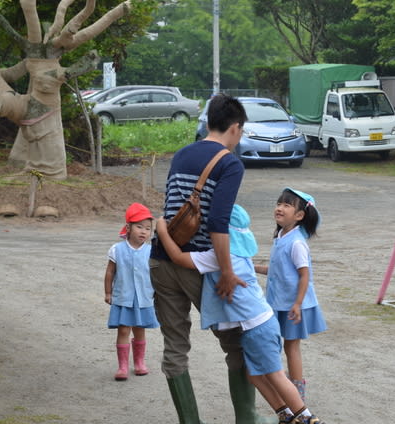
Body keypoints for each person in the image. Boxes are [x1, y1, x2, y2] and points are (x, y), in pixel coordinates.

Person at [149, 93, 270, 423]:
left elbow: (173, 207)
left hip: (161, 260)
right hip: (197, 265)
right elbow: (218, 223)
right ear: (235, 127)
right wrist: (228, 273)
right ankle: (248, 418)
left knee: (175, 347)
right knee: (238, 343)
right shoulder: (229, 162)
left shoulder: (182, 154)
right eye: (241, 131)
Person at [156, 205, 326, 424]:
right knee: (253, 375)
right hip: (258, 325)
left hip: (259, 327)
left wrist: (162, 230)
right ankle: (285, 415)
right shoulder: (238, 252)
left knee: (275, 375)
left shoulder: (219, 256)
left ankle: (306, 417)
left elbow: (178, 258)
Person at [255, 188, 327, 404]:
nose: (279, 208)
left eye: (287, 205)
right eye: (279, 203)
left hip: (293, 305)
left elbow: (304, 276)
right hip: (279, 302)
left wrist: (297, 304)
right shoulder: (281, 236)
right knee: (279, 344)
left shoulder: (296, 242)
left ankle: (297, 395)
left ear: (299, 216)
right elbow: (277, 270)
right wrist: (252, 267)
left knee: (291, 346)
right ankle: (286, 386)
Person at [103, 202, 159, 381]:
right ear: (128, 227)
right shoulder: (117, 250)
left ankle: (140, 363)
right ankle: (122, 367)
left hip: (143, 298)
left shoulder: (151, 251)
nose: (144, 231)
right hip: (123, 298)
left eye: (148, 228)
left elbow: (156, 274)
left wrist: (158, 292)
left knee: (140, 329)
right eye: (139, 227)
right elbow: (110, 272)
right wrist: (108, 293)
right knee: (124, 330)